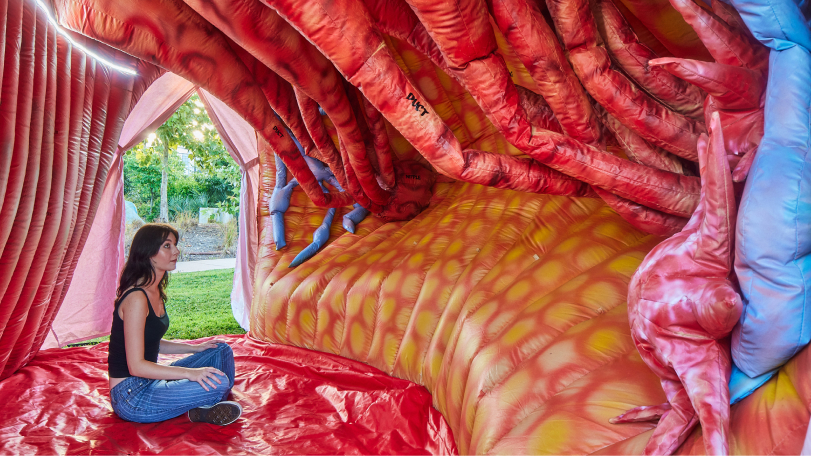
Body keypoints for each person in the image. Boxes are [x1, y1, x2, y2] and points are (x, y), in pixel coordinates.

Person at [108, 223, 242, 425]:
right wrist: (190, 373)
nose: (176, 251)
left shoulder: (154, 290)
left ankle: (202, 404)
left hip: (151, 380)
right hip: (131, 395)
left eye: (175, 245)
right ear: (148, 253)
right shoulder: (136, 298)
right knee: (218, 382)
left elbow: (153, 342)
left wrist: (194, 349)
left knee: (220, 350)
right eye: (167, 246)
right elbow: (136, 367)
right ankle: (202, 407)